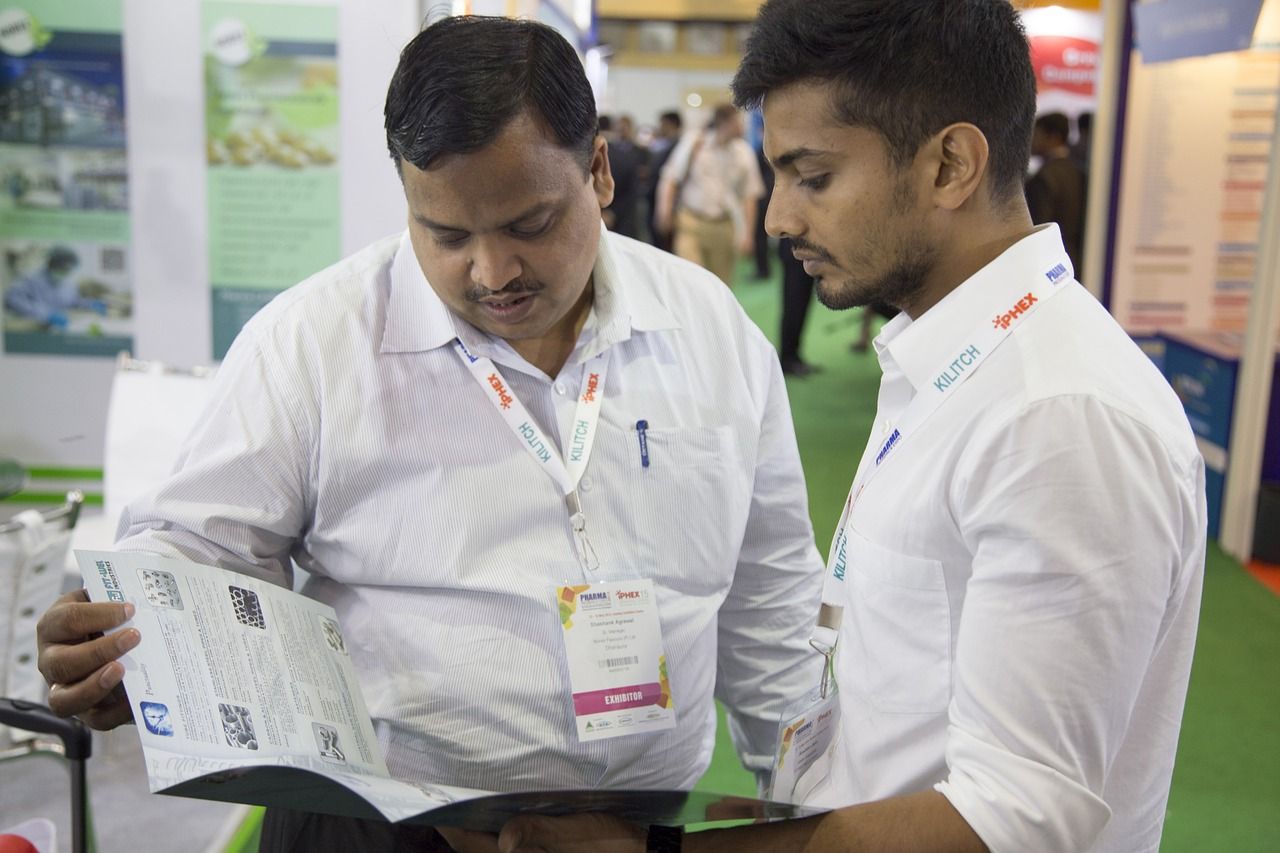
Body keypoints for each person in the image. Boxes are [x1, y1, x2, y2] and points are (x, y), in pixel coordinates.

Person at [35, 15, 823, 853]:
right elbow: (196, 547)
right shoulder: (315, 340)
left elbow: (770, 602)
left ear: (597, 170)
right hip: (379, 827)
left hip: (626, 831)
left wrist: (810, 803)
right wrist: (118, 633)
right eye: (445, 235)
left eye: (528, 224)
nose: (492, 273)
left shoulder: (711, 332)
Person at [479, 1, 1207, 851]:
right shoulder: (959, 362)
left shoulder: (1059, 416)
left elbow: (1015, 817)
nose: (778, 217)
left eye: (814, 176)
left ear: (950, 166)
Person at [655, 104, 764, 287]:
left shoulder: (743, 153)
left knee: (720, 287)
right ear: (724, 123)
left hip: (723, 226)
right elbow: (670, 178)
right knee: (691, 282)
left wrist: (748, 235)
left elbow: (750, 195)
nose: (742, 126)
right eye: (738, 121)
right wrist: (664, 211)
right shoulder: (695, 143)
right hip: (691, 223)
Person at [1025, 112, 1087, 278]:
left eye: (1036, 134)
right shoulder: (1077, 171)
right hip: (1073, 261)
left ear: (1053, 137)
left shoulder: (1045, 177)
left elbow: (1038, 226)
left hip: (1048, 266)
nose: (1031, 141)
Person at [3, 245, 106, 330]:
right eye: (65, 269)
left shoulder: (67, 282)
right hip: (34, 328)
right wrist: (46, 314)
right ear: (53, 264)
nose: (67, 273)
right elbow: (12, 300)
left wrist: (89, 304)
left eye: (69, 270)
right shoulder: (31, 279)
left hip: (57, 328)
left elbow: (72, 301)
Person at [644, 111, 682, 253]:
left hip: (668, 202)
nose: (660, 127)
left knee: (666, 244)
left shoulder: (679, 146)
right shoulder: (662, 144)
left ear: (671, 124)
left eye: (663, 124)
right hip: (654, 197)